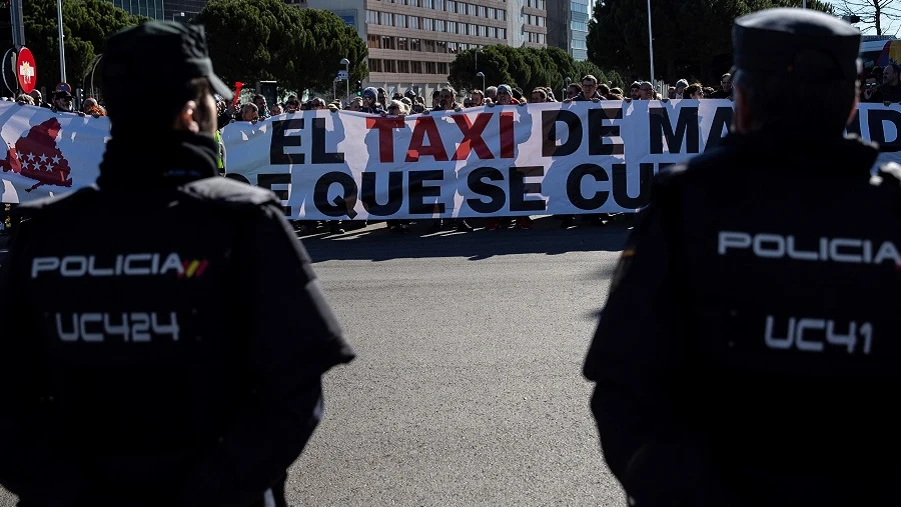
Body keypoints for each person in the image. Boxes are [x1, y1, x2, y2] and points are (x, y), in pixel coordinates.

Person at [0, 21, 354, 507]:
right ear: (192, 113)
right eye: (213, 101)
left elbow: (8, 405)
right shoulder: (245, 221)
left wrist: (72, 493)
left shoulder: (41, 235)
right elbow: (292, 393)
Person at [583, 8, 901, 507]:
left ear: (743, 103)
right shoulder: (892, 209)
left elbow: (625, 384)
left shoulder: (685, 203)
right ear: (853, 106)